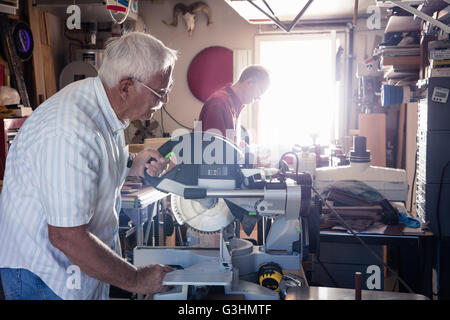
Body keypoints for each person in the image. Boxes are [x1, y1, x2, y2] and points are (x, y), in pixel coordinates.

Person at [0, 32, 177, 300]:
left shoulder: (106, 108)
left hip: (72, 269)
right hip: (45, 276)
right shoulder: (70, 130)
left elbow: (89, 167)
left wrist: (132, 165)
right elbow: (66, 236)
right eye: (159, 93)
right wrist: (137, 279)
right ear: (126, 87)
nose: (164, 101)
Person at [198, 65, 270, 144]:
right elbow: (214, 149)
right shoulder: (218, 103)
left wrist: (238, 145)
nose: (258, 98)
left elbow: (225, 142)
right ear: (249, 83)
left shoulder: (234, 104)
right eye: (260, 91)